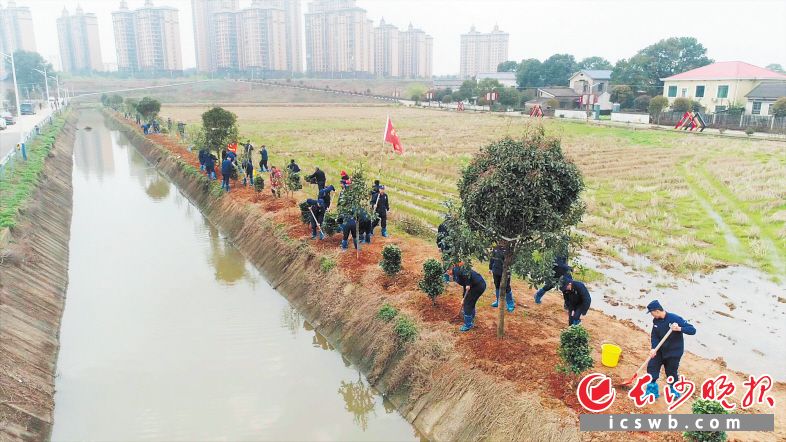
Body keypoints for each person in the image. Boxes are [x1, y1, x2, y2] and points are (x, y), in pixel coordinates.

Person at [644, 300, 697, 400]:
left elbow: (692, 330)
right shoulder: (656, 321)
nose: (651, 315)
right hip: (659, 350)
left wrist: (679, 328)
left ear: (656, 311)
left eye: (651, 313)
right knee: (652, 368)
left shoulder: (674, 318)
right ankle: (652, 392)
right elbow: (654, 336)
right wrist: (653, 348)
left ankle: (674, 391)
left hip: (673, 352)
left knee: (671, 372)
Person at [451, 264, 487, 332]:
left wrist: (468, 284)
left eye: (447, 272)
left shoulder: (457, 270)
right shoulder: (455, 272)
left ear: (449, 269)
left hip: (478, 285)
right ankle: (471, 317)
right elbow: (464, 285)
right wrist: (463, 297)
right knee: (469, 301)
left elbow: (466, 273)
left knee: (467, 303)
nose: (448, 274)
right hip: (474, 285)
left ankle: (468, 325)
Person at [489, 245, 514, 312]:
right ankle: (498, 301)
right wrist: (490, 268)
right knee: (497, 286)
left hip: (505, 272)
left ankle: (510, 304)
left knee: (507, 287)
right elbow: (492, 258)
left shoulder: (509, 249)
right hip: (496, 271)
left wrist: (508, 272)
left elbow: (511, 262)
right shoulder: (495, 248)